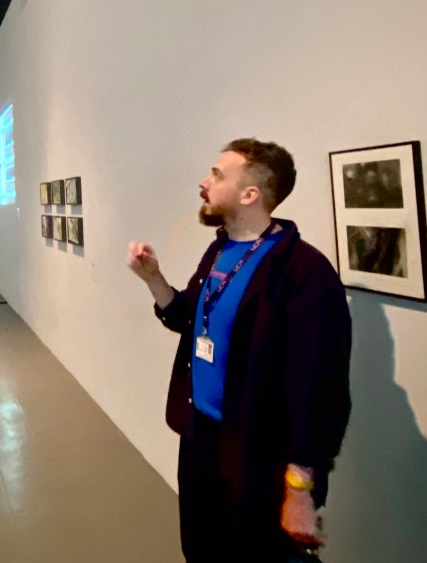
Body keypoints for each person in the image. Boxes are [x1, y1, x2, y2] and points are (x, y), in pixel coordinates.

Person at [127, 139, 352, 562]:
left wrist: (300, 489)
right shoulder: (219, 251)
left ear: (250, 194)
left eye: (217, 175)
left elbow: (319, 390)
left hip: (258, 454)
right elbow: (188, 321)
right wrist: (153, 279)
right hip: (201, 438)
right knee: (202, 549)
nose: (204, 182)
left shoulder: (305, 272)